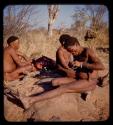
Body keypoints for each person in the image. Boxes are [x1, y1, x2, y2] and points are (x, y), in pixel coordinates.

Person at [20, 36, 105, 109]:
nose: (72, 53)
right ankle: (82, 89)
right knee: (55, 82)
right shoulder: (75, 53)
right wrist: (73, 66)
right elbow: (78, 67)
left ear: (76, 44)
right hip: (78, 78)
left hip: (89, 81)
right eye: (70, 51)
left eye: (72, 50)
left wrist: (82, 64)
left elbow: (101, 66)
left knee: (63, 88)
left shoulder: (88, 51)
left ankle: (30, 100)